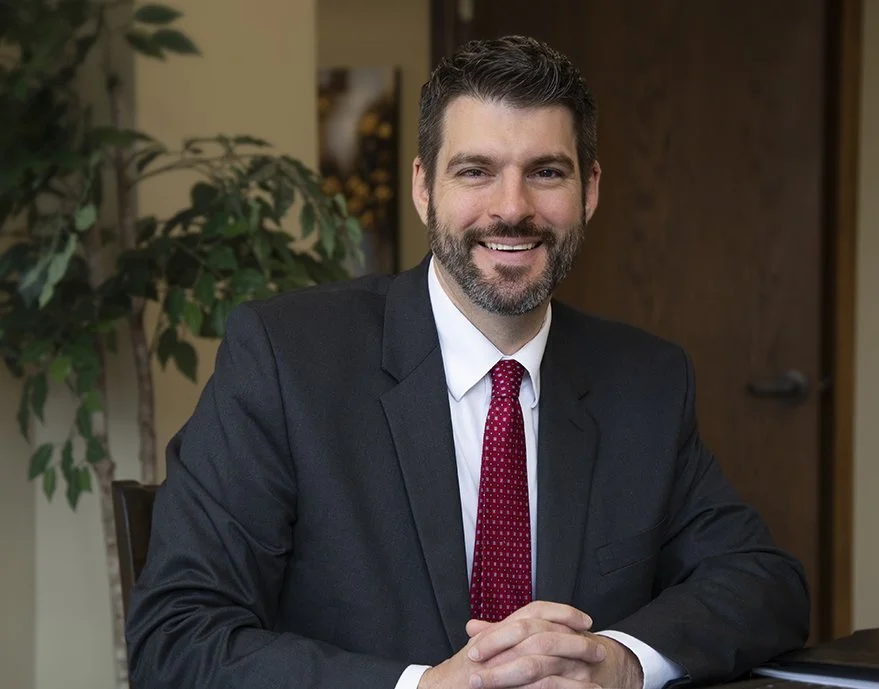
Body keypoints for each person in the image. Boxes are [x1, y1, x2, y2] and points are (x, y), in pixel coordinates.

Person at [126, 35, 810, 689]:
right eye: (475, 171)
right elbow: (176, 636)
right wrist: (425, 683)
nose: (512, 209)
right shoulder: (285, 361)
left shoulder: (647, 382)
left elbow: (763, 582)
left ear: (590, 190)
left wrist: (621, 661)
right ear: (424, 186)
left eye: (546, 172)